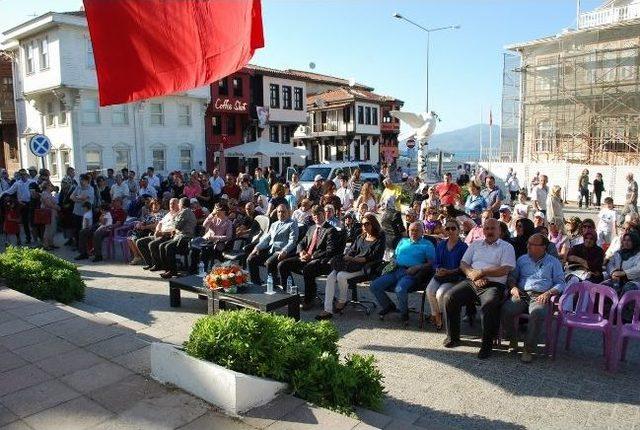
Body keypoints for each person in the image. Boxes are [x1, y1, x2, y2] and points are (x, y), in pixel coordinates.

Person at [442, 218, 517, 359]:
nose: (489, 231)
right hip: (472, 281)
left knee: (489, 305)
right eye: (487, 228)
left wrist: (482, 272)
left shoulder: (507, 247)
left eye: (493, 228)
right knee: (449, 297)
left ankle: (487, 346)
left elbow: (505, 270)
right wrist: (472, 274)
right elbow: (463, 263)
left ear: (499, 231)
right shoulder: (475, 245)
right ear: (483, 230)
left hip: (494, 284)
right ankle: (453, 337)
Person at [501, 233, 565, 363]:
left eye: (532, 244)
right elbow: (512, 277)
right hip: (522, 293)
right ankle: (513, 340)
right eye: (528, 243)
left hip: (540, 295)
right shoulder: (522, 259)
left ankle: (528, 349)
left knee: (537, 313)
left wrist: (549, 293)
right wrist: (513, 287)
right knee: (506, 309)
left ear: (543, 247)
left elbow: (561, 283)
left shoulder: (553, 262)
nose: (528, 246)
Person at [316, 212, 385, 320]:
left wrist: (352, 259)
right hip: (350, 265)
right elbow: (351, 251)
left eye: (367, 224)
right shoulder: (360, 237)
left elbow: (373, 258)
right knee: (330, 277)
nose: (364, 226)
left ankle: (342, 300)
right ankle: (327, 310)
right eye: (362, 224)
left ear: (373, 224)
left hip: (365, 267)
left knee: (341, 276)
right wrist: (346, 257)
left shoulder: (379, 238)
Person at [370, 221, 435, 325]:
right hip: (395, 270)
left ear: (422, 232)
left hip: (412, 273)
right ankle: (388, 306)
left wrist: (417, 266)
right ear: (408, 231)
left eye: (417, 230)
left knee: (399, 289)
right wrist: (392, 261)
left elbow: (432, 263)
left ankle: (404, 314)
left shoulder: (427, 244)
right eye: (412, 230)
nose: (414, 232)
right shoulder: (403, 241)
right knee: (374, 286)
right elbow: (395, 256)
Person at [277, 205, 340, 310]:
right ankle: (291, 294)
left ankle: (309, 300)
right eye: (314, 215)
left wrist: (311, 256)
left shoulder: (330, 230)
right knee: (282, 265)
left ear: (324, 215)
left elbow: (330, 251)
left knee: (308, 269)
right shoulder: (311, 228)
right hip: (305, 257)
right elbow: (301, 242)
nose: (316, 217)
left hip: (321, 261)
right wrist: (301, 252)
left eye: (319, 214)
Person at [425, 219, 468, 330]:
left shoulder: (464, 247)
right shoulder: (441, 244)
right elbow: (436, 262)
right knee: (429, 291)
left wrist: (449, 271)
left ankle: (439, 316)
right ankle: (437, 314)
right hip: (441, 274)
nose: (450, 231)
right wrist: (438, 269)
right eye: (447, 228)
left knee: (440, 293)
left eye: (453, 228)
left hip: (455, 276)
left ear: (458, 230)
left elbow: (463, 267)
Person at [247, 204, 299, 286]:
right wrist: (257, 247)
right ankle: (256, 283)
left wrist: (284, 251)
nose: (281, 214)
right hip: (270, 249)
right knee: (251, 259)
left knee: (269, 263)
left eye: (283, 212)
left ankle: (273, 284)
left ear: (288, 212)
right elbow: (267, 239)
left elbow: (293, 241)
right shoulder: (274, 224)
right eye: (279, 212)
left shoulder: (292, 224)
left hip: (281, 251)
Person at [188, 202, 233, 273]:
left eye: (217, 209)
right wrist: (212, 214)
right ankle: (193, 270)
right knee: (194, 249)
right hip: (205, 240)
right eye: (215, 209)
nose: (215, 211)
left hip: (217, 243)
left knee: (205, 251)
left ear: (223, 211)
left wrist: (214, 237)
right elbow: (204, 225)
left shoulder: (228, 222)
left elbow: (228, 236)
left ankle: (204, 271)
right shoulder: (213, 218)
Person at [159, 197, 197, 278]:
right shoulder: (187, 211)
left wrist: (174, 217)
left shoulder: (185, 211)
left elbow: (177, 226)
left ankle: (172, 271)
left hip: (185, 238)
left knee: (168, 247)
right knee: (162, 246)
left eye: (179, 203)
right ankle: (168, 269)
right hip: (181, 237)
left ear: (181, 204)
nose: (178, 205)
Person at [139, 198, 179, 270]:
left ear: (178, 205)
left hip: (168, 235)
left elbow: (175, 228)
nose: (171, 205)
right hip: (159, 233)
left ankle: (158, 265)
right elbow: (160, 223)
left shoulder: (178, 214)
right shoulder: (168, 214)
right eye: (170, 204)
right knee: (140, 242)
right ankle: (150, 263)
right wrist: (157, 230)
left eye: (173, 203)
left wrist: (162, 232)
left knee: (152, 244)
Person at [128, 198, 165, 265]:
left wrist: (145, 227)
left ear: (160, 206)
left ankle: (144, 257)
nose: (156, 206)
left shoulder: (160, 214)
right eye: (154, 204)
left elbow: (156, 225)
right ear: (151, 206)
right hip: (145, 231)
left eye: (157, 204)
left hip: (152, 232)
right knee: (130, 239)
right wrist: (140, 224)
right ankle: (137, 257)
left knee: (135, 239)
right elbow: (144, 221)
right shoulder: (149, 214)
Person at [605, 231, 640, 297]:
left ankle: (624, 306)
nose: (626, 242)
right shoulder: (618, 253)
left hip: (634, 281)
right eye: (624, 240)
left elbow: (638, 269)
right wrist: (613, 272)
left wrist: (623, 273)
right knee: (605, 285)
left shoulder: (638, 254)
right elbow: (610, 264)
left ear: (634, 241)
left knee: (628, 288)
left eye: (629, 240)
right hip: (617, 279)